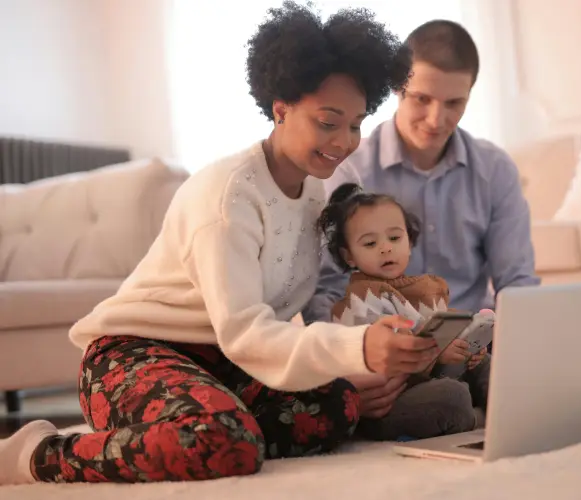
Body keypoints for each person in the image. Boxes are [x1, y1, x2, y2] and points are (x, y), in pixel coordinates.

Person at [0, 1, 439, 485]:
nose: (344, 141)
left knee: (336, 405)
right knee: (219, 440)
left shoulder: (319, 193)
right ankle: (35, 453)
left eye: (356, 125)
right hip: (130, 356)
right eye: (328, 122)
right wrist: (356, 347)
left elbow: (283, 321)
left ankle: (205, 423)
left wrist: (361, 353)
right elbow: (247, 333)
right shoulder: (230, 196)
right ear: (281, 108)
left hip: (221, 362)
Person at [303, 20, 539, 426]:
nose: (435, 119)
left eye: (454, 104)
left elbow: (517, 285)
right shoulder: (347, 169)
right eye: (421, 99)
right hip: (384, 359)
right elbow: (324, 290)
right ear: (397, 90)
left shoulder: (494, 169)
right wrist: (347, 372)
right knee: (451, 401)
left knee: (523, 388)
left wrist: (526, 353)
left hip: (471, 349)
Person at [316, 182, 490, 440]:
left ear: (409, 242)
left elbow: (446, 330)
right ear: (349, 256)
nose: (385, 248)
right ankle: (479, 418)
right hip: (389, 403)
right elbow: (388, 361)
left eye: (395, 238)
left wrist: (470, 345)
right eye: (370, 243)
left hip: (429, 378)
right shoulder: (360, 301)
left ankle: (507, 408)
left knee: (487, 365)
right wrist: (437, 354)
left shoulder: (424, 289)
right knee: (452, 397)